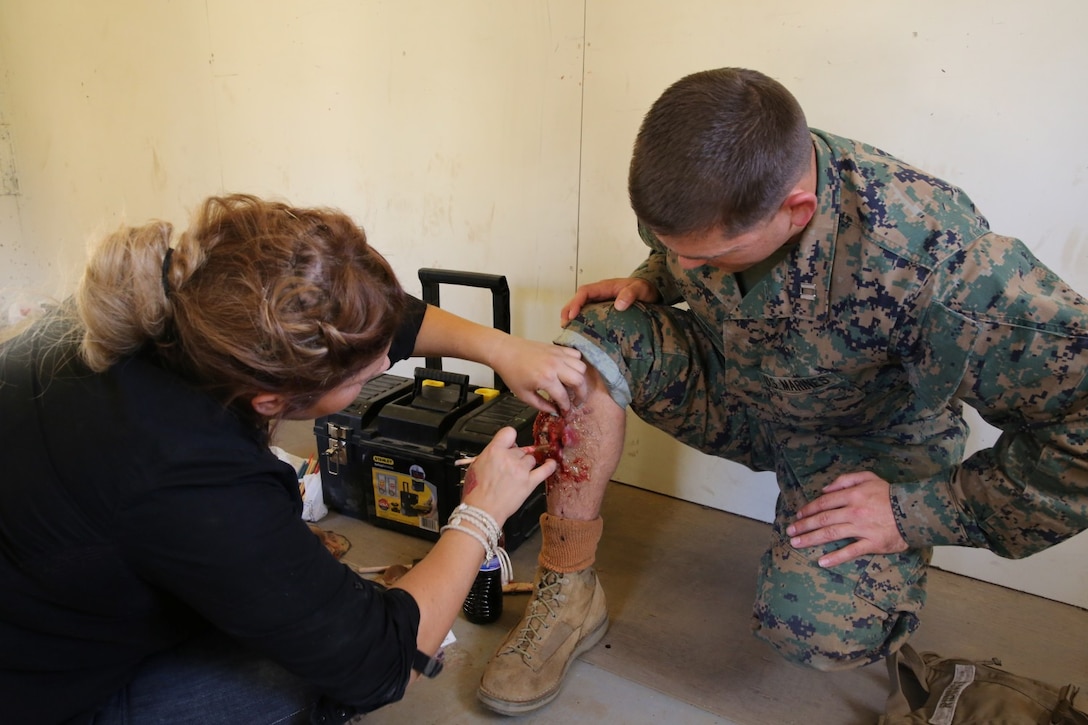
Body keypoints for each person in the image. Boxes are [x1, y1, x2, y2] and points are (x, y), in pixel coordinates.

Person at [475, 67, 1088, 715]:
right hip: (740, 385)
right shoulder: (709, 181)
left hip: (862, 441)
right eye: (670, 246)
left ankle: (875, 581)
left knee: (815, 622)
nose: (686, 265)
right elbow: (679, 248)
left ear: (796, 211)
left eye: (710, 258)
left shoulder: (933, 263)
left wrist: (914, 512)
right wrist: (656, 276)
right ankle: (568, 592)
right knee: (585, 351)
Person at [0, 194, 589, 724]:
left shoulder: (166, 306)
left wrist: (502, 347)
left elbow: (365, 321)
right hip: (37, 694)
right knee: (303, 675)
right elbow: (381, 664)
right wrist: (480, 516)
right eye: (371, 373)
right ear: (271, 400)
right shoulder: (189, 472)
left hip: (47, 590)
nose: (390, 362)